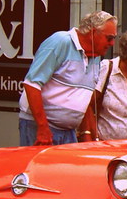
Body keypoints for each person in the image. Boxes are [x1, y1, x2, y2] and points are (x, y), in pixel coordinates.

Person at [17, 10, 117, 146]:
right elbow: (31, 84)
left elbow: (83, 98)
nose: (112, 44)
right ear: (93, 33)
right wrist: (43, 128)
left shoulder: (96, 55)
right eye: (109, 38)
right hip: (41, 127)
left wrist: (88, 135)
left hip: (68, 131)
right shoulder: (61, 42)